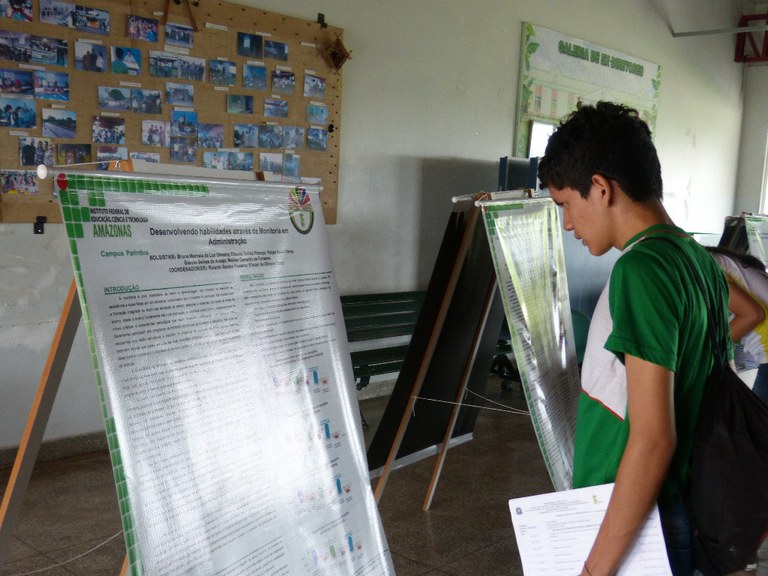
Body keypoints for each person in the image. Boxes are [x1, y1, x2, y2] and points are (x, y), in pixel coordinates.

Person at [537, 101, 731, 576]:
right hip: (678, 505)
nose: (566, 224)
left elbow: (653, 439)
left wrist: (595, 569)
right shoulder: (695, 258)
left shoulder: (640, 271)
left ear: (600, 189)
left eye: (566, 205)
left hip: (644, 523)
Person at [706, 246, 768, 404]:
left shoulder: (706, 266)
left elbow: (752, 314)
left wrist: (705, 351)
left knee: (758, 425)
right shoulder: (724, 260)